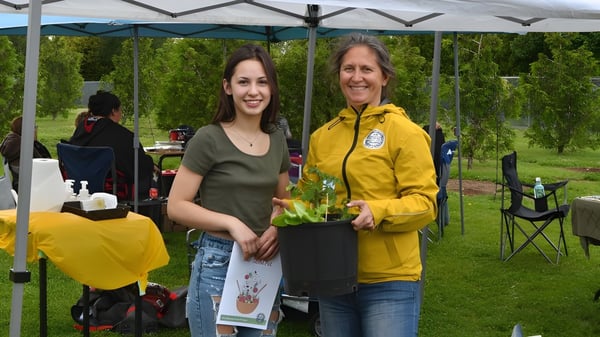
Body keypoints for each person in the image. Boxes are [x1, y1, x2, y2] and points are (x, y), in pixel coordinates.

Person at [286, 33, 438, 337]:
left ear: (384, 76)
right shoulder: (322, 137)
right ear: (339, 75)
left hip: (390, 281)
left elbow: (425, 204)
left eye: (366, 69)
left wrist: (378, 212)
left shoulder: (405, 133)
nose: (357, 77)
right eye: (348, 69)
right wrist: (292, 208)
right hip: (332, 276)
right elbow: (310, 198)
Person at [167, 44, 290, 337]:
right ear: (228, 87)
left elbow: (284, 201)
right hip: (217, 261)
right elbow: (176, 205)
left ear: (271, 88)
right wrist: (232, 223)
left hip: (265, 262)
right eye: (243, 82)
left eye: (262, 82)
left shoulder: (276, 139)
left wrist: (277, 227)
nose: (253, 91)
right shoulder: (209, 139)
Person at [68, 90, 156, 200]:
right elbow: (137, 166)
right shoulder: (122, 136)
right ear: (113, 111)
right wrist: (150, 163)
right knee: (154, 181)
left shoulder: (81, 130)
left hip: (79, 188)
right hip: (112, 191)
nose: (121, 113)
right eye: (120, 110)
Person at [0, 116, 52, 191]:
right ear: (26, 129)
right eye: (34, 127)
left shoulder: (14, 143)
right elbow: (43, 166)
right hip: (34, 186)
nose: (36, 129)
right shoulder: (24, 146)